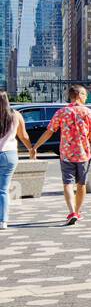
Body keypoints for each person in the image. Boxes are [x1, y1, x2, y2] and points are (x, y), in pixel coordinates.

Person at [30, 84, 91, 226]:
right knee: (81, 184)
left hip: (66, 154)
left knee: (67, 183)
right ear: (79, 95)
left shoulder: (61, 112)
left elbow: (49, 131)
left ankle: (71, 211)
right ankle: (78, 212)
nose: (86, 97)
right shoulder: (89, 113)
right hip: (84, 154)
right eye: (85, 95)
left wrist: (35, 147)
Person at [0, 93, 34, 231]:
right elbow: (24, 135)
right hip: (10, 155)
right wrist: (31, 149)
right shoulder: (16, 115)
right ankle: (3, 221)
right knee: (3, 189)